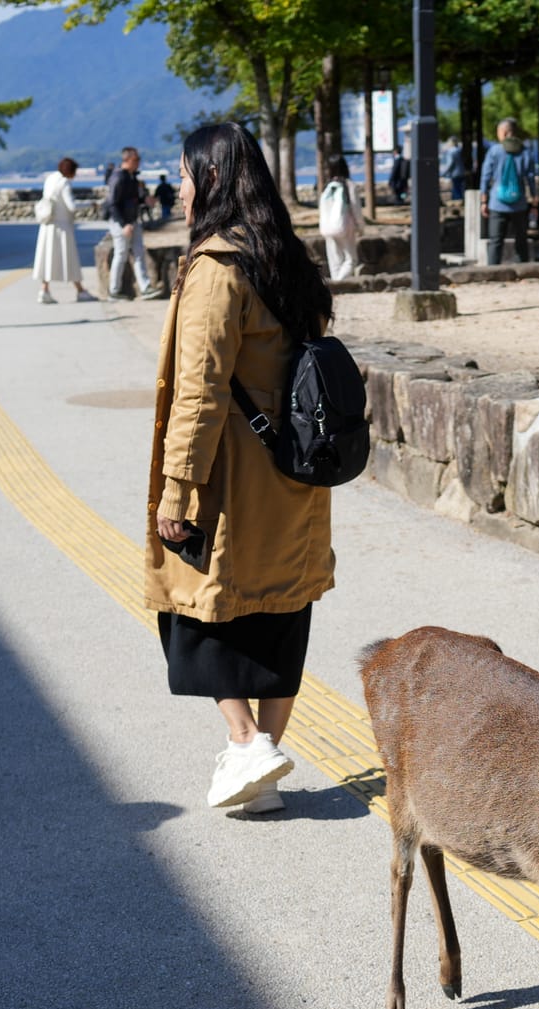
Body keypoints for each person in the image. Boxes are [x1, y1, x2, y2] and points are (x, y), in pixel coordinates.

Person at [147, 121, 336, 815]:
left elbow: (197, 389)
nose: (179, 187)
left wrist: (177, 491)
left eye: (186, 175)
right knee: (284, 612)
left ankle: (248, 740)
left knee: (195, 607)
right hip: (297, 469)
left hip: (231, 477)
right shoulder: (287, 258)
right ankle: (260, 774)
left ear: (213, 181)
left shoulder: (217, 267)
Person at [106, 146, 165, 300]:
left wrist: (144, 200)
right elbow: (113, 203)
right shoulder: (118, 177)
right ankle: (114, 290)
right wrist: (123, 224)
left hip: (133, 220)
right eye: (136, 160)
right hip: (122, 223)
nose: (139, 162)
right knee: (121, 255)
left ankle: (145, 287)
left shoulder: (131, 177)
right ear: (128, 160)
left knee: (139, 253)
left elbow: (130, 200)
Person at [33, 157, 90, 304]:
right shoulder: (64, 183)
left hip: (47, 225)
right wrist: (90, 205)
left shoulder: (50, 179)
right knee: (69, 258)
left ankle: (44, 290)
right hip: (62, 227)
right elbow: (72, 206)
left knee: (47, 259)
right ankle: (80, 291)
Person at [479, 117, 536, 265]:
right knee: (521, 239)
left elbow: (485, 177)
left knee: (496, 241)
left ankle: (493, 271)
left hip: (497, 203)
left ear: (504, 133)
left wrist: (483, 200)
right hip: (519, 202)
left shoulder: (494, 151)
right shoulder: (525, 152)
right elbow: (530, 178)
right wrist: (534, 199)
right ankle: (524, 269)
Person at [316, 155, 362, 280]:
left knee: (334, 261)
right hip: (345, 227)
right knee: (351, 260)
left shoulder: (327, 187)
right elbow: (356, 208)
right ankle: (339, 283)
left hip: (327, 229)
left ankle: (336, 285)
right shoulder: (348, 185)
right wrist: (360, 226)